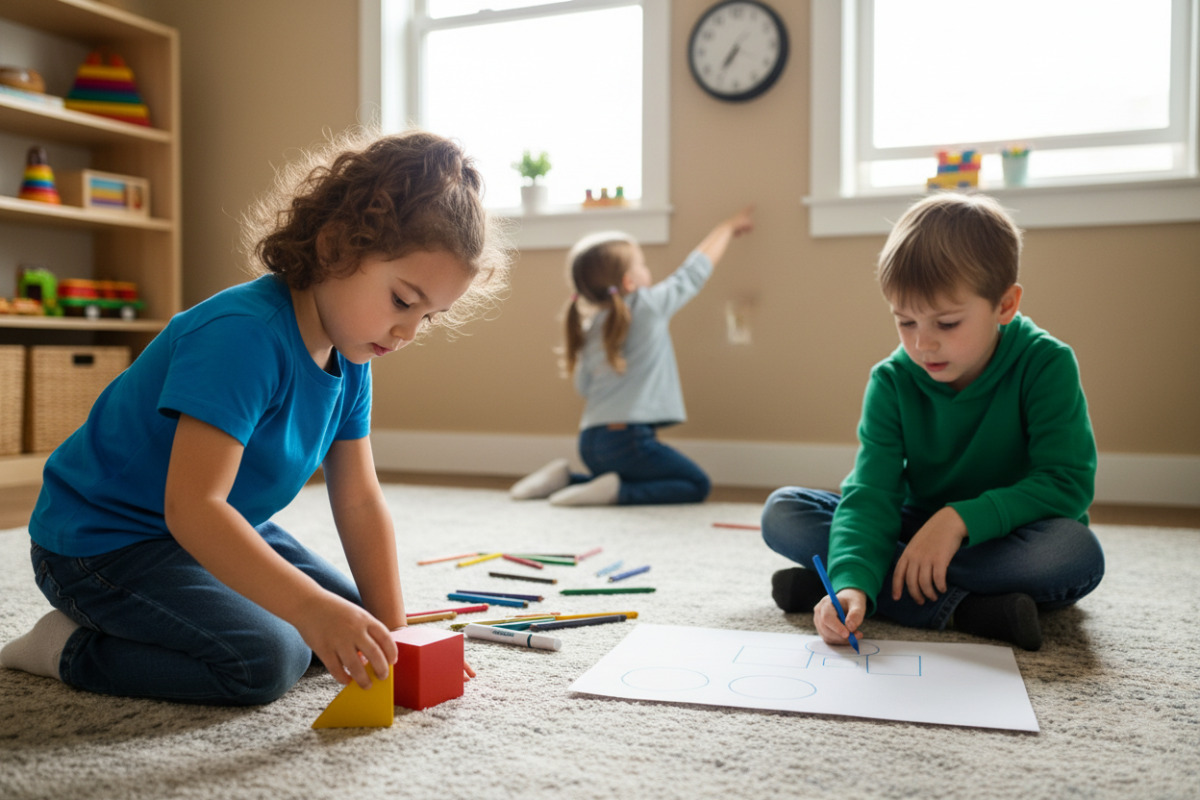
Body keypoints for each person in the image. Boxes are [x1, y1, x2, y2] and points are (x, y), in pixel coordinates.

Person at [0, 129, 510, 704]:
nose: (409, 332)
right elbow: (193, 506)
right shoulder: (241, 336)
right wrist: (310, 610)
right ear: (335, 247)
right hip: (102, 543)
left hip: (210, 528)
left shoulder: (353, 352)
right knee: (270, 657)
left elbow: (360, 500)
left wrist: (398, 636)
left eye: (431, 317)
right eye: (402, 300)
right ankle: (65, 648)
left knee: (355, 627)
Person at [761, 193, 1104, 651]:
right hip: (913, 523)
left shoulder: (1047, 363)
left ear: (1005, 305)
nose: (923, 345)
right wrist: (853, 578)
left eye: (946, 324)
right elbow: (873, 494)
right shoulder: (892, 379)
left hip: (1005, 536)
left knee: (1073, 555)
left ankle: (862, 585)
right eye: (905, 322)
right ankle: (966, 610)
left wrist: (958, 520)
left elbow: (1066, 484)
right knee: (784, 511)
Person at [510, 207, 755, 506]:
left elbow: (583, 387)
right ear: (628, 282)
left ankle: (566, 479)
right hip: (630, 441)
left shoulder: (590, 325)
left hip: (590, 442)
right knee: (695, 483)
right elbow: (694, 272)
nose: (646, 269)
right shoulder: (648, 306)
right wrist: (726, 227)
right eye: (642, 264)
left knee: (634, 473)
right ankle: (615, 493)